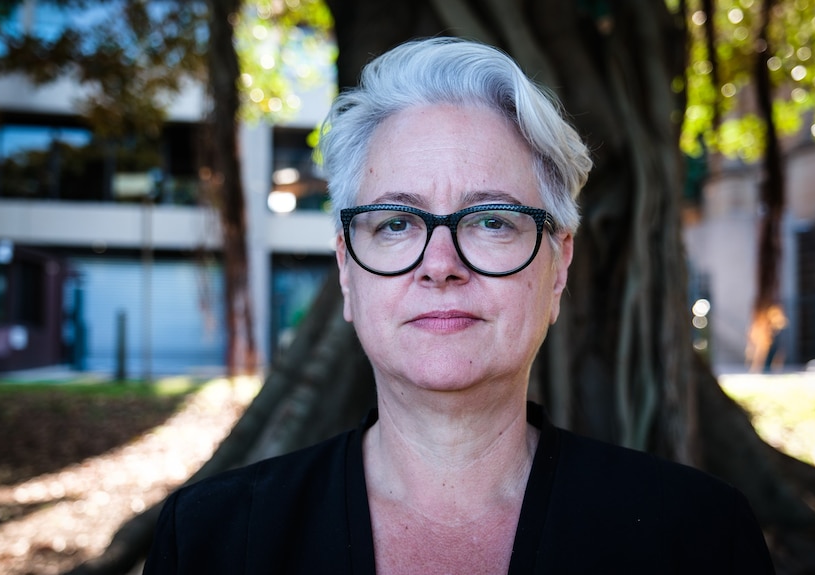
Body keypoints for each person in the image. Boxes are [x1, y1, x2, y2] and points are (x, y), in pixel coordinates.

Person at [143, 37, 775, 574]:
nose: (439, 265)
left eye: (492, 221)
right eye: (395, 223)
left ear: (558, 266)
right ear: (345, 268)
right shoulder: (210, 540)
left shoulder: (698, 538)